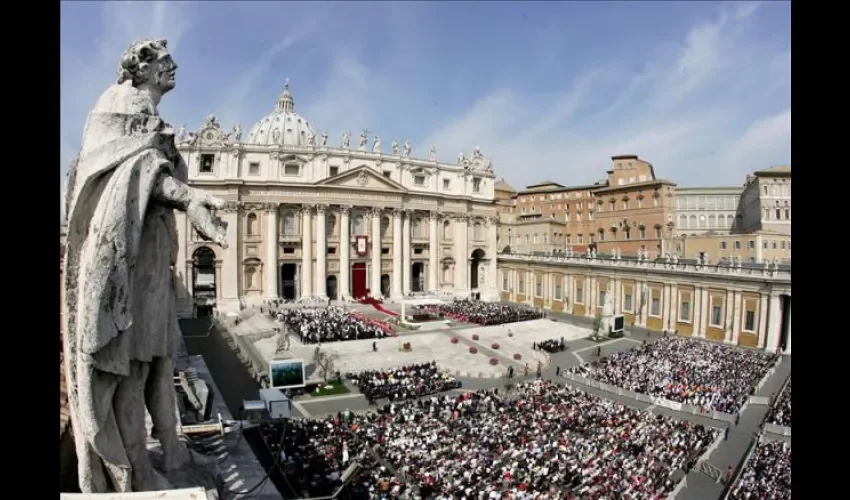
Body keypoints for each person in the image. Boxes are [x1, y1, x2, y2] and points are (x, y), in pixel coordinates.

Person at [63, 39, 226, 493]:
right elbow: (135, 170)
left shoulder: (146, 114)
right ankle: (135, 467)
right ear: (143, 67)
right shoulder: (118, 105)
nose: (174, 68)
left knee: (157, 362)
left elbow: (148, 168)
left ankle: (170, 450)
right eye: (165, 62)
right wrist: (188, 197)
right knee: (130, 370)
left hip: (149, 252)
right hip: (129, 262)